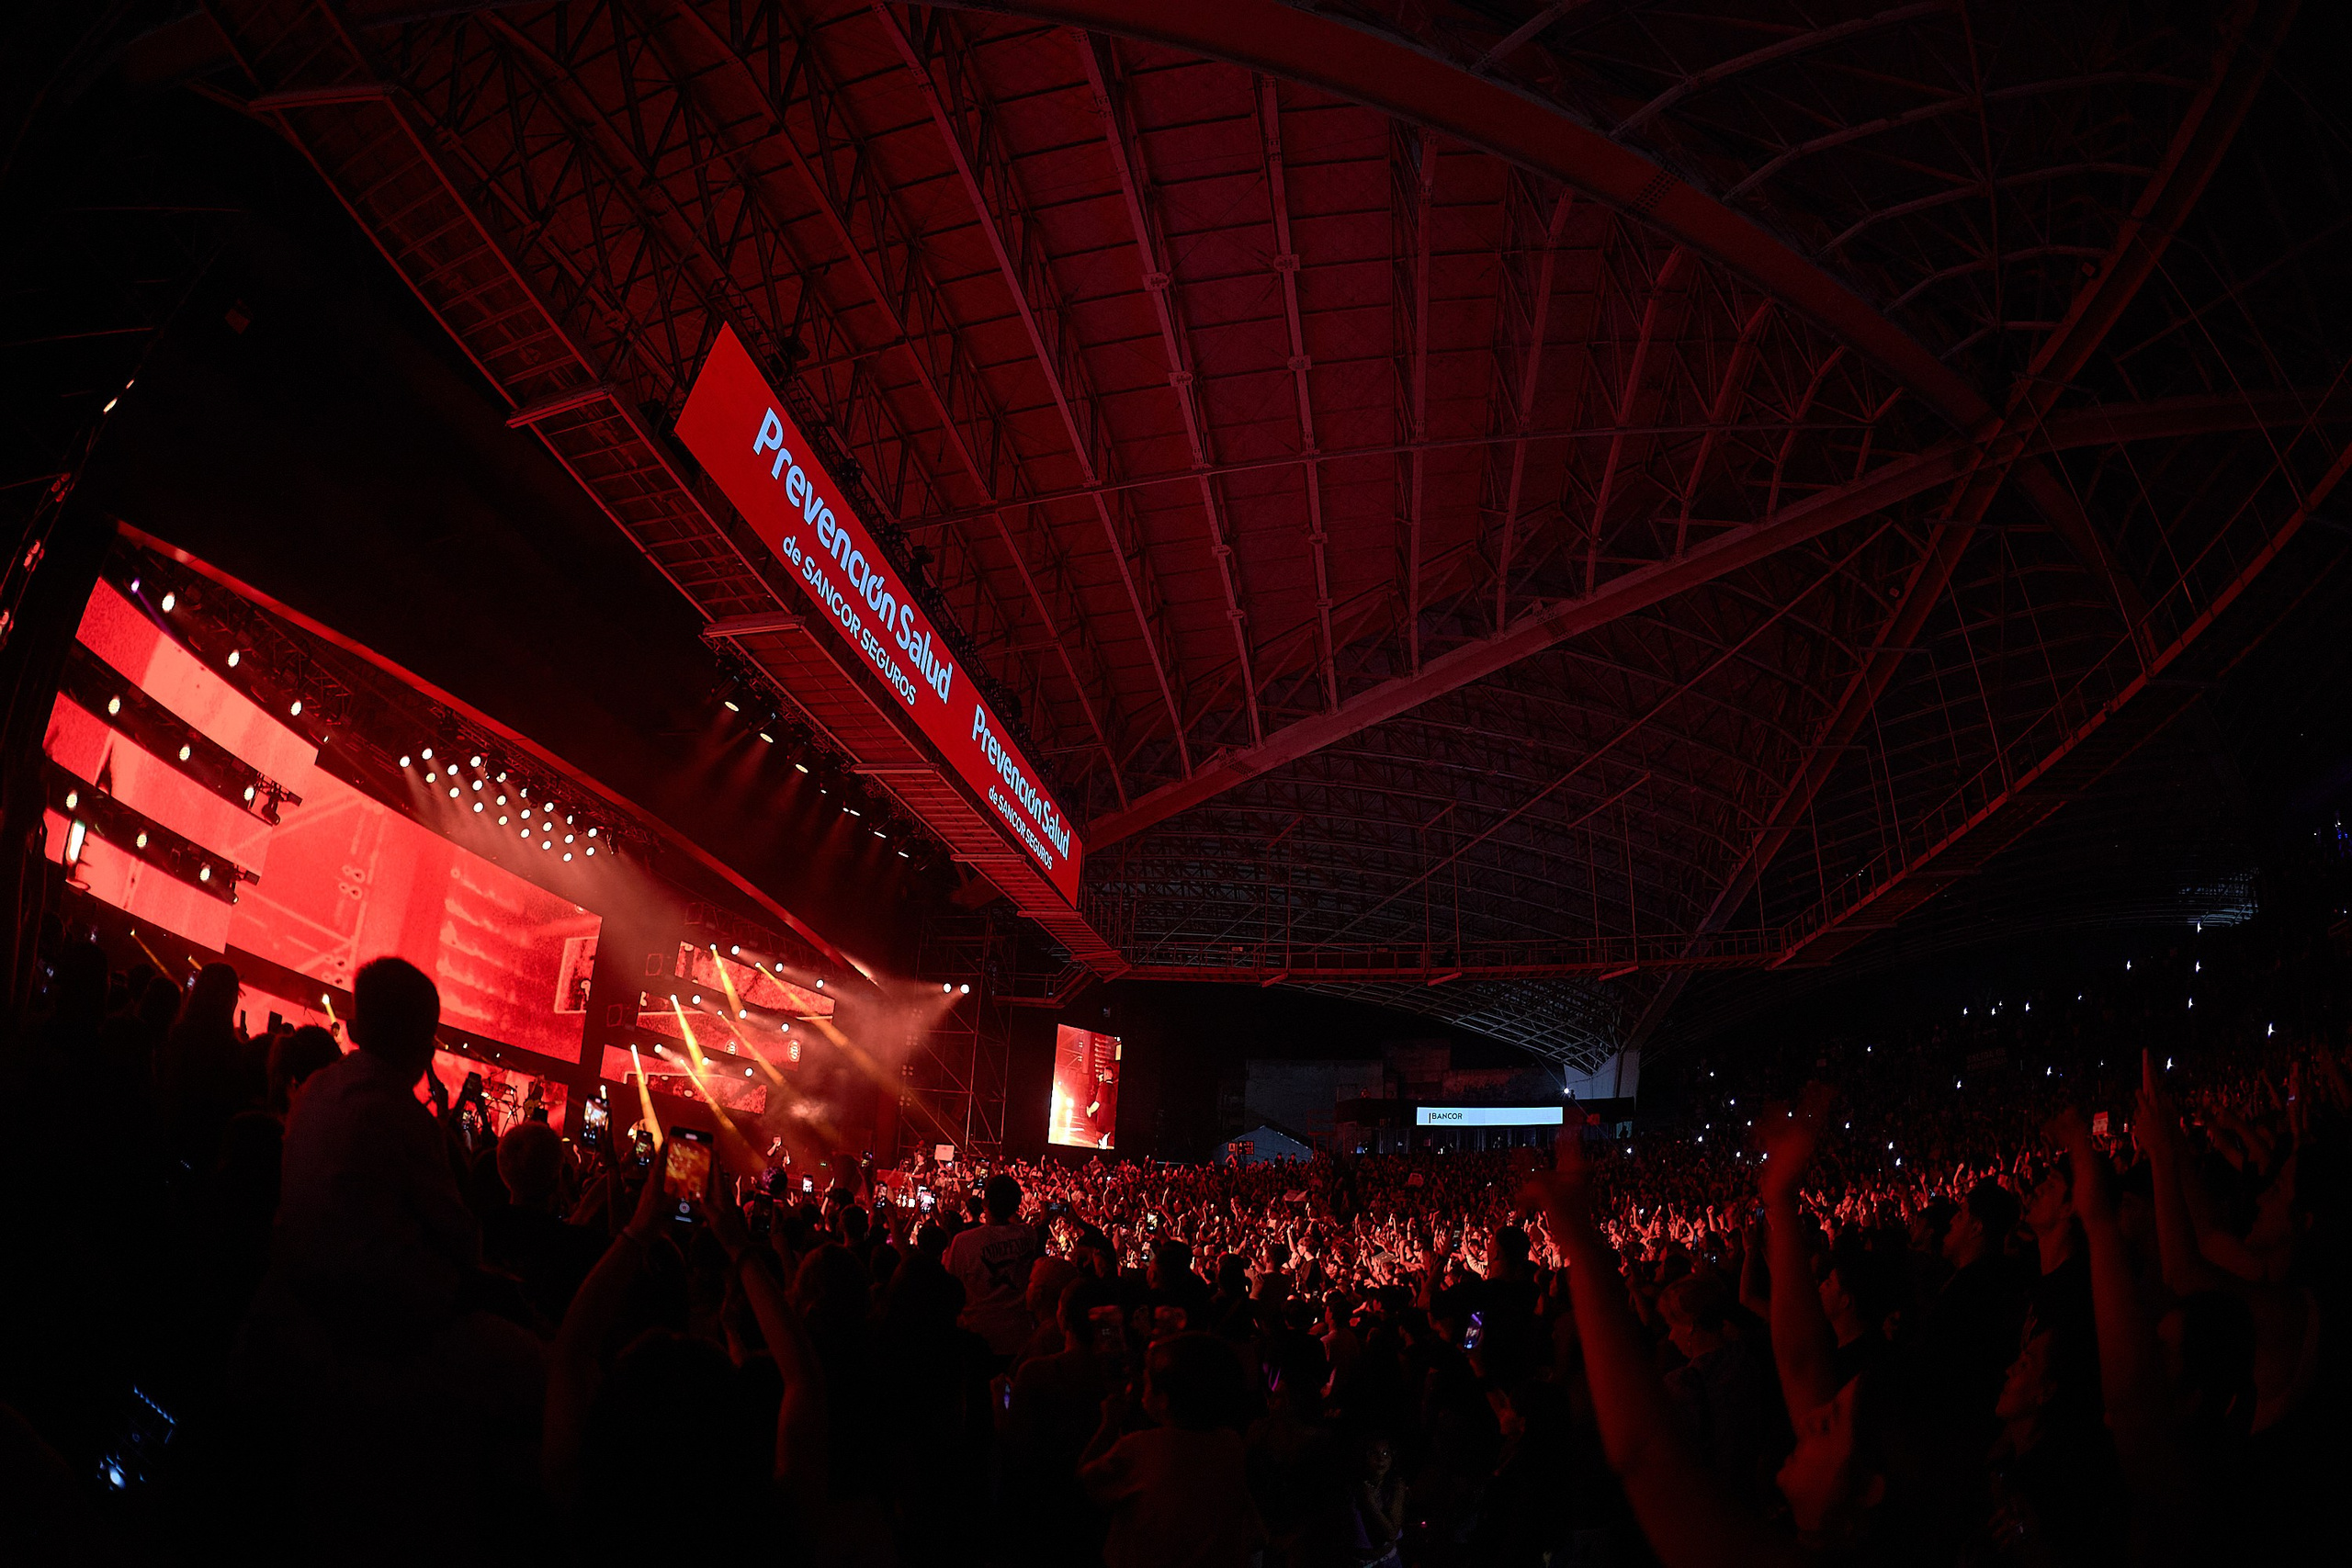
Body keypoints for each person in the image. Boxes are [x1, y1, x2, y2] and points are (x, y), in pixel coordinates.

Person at [1080, 1332, 1267, 1568]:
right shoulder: (1231, 1443)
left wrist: (1109, 1424)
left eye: (1147, 1382)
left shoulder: (1139, 1449)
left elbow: (1087, 1482)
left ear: (1164, 1400)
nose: (1140, 1387)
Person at [943, 1172, 1044, 1361]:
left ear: (985, 1202)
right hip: (1019, 1340)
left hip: (978, 1340)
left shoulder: (964, 1241)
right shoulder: (1028, 1234)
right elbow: (1018, 1223)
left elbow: (949, 1289)